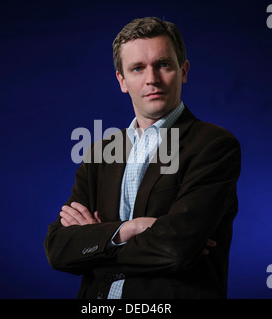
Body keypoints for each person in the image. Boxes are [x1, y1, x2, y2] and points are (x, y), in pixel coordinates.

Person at [43, 17, 241, 299]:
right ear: (122, 80)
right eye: (138, 68)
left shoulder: (213, 145)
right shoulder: (101, 152)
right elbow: (58, 249)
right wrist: (131, 228)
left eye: (163, 65)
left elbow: (175, 250)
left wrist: (99, 239)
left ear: (183, 71)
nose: (152, 79)